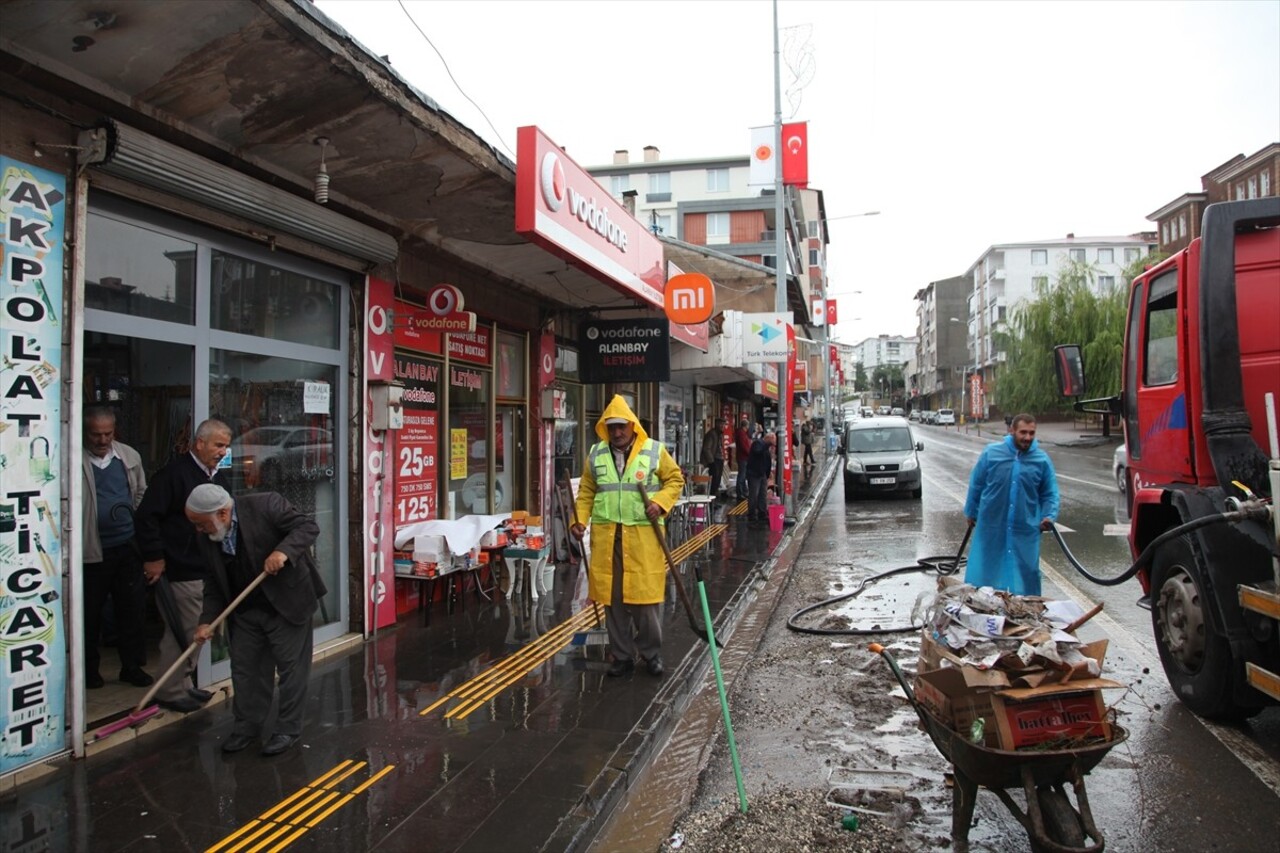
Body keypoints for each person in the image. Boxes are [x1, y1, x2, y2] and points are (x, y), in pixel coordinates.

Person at [186, 484, 325, 756]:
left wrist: (283, 552)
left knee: (291, 671)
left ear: (223, 514)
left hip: (287, 602)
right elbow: (213, 581)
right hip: (246, 610)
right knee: (246, 670)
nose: (198, 530)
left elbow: (308, 527)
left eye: (201, 524)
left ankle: (287, 729)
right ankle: (247, 726)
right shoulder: (207, 537)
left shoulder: (266, 504)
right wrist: (206, 621)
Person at [571, 396, 684, 678]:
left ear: (632, 426)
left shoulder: (653, 451)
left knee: (644, 602)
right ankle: (621, 656)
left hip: (643, 537)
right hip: (608, 539)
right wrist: (579, 520)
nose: (617, 432)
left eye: (622, 427)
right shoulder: (596, 454)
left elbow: (675, 480)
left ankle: (651, 654)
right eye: (612, 428)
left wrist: (659, 502)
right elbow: (586, 491)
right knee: (614, 601)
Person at [134, 418, 233, 713]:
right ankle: (168, 690)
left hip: (207, 567)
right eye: (218, 445)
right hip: (182, 566)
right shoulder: (174, 475)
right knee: (186, 630)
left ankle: (183, 685)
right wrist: (154, 557)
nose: (222, 452)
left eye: (226, 446)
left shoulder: (217, 477)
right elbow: (147, 517)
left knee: (198, 631)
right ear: (199, 443)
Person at [81, 407, 153, 690]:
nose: (102, 440)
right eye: (96, 434)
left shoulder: (128, 455)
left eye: (107, 434)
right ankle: (89, 671)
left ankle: (131, 667)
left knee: (131, 610)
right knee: (90, 613)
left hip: (126, 545)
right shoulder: (75, 458)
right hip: (92, 549)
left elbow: (140, 491)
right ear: (86, 432)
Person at [963, 413, 1061, 595]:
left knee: (1027, 573)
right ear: (1012, 431)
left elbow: (1050, 493)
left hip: (1025, 529)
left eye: (1032, 433)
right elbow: (976, 484)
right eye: (1023, 432)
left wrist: (1049, 515)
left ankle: (1028, 611)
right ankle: (985, 609)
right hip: (992, 526)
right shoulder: (991, 454)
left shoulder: (1041, 460)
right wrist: (971, 511)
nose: (1028, 438)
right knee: (987, 571)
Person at [745, 432, 776, 528]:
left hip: (762, 474)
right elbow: (758, 452)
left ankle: (762, 513)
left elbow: (766, 460)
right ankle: (752, 515)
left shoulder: (766, 447)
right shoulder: (758, 443)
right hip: (754, 474)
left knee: (763, 494)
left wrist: (768, 472)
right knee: (754, 494)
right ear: (768, 438)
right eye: (773, 439)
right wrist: (768, 445)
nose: (774, 441)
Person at [699, 417, 726, 499]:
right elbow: (706, 449)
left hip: (719, 460)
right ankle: (711, 501)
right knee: (714, 482)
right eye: (721, 424)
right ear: (716, 424)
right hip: (714, 460)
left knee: (717, 481)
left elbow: (720, 447)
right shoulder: (711, 434)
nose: (723, 426)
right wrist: (711, 462)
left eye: (723, 424)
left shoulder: (720, 434)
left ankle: (714, 500)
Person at [734, 415, 752, 499]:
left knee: (743, 475)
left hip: (743, 457)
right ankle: (740, 492)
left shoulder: (742, 433)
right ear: (746, 426)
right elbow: (744, 446)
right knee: (742, 475)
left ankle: (744, 492)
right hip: (743, 457)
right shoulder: (741, 434)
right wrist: (750, 453)